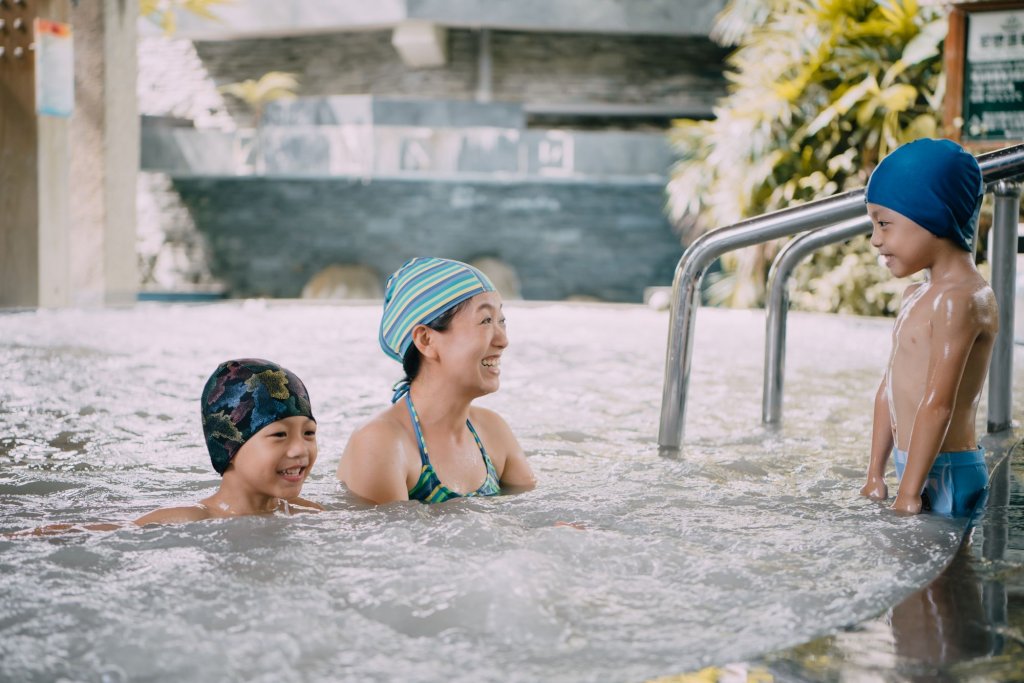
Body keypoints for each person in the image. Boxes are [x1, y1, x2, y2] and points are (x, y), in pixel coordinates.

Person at [859, 138, 998, 516]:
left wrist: (908, 493)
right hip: (914, 469)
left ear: (933, 216)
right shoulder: (914, 296)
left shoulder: (962, 299)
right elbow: (889, 389)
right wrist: (876, 472)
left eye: (884, 223)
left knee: (946, 575)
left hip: (949, 472)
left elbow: (938, 405)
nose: (875, 239)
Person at [337, 257, 536, 504]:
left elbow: (531, 518)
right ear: (426, 340)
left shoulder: (492, 430)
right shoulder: (381, 444)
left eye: (501, 321)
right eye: (486, 320)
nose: (503, 340)